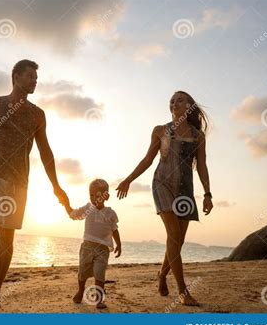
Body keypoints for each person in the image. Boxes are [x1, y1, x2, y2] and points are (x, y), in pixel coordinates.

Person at [0, 59, 69, 313]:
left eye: (36, 78)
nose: (34, 81)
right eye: (30, 76)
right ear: (15, 77)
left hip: (19, 181)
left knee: (7, 239)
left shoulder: (38, 114)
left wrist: (56, 186)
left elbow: (46, 151)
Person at [116, 91, 213, 306]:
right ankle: (183, 292)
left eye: (180, 100)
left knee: (178, 241)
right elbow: (148, 159)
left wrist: (207, 194)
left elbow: (202, 166)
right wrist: (128, 180)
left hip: (185, 189)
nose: (174, 103)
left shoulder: (198, 136)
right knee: (173, 235)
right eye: (172, 100)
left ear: (189, 106)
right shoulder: (160, 131)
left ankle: (161, 274)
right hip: (162, 184)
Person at [64, 179, 122, 309]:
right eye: (91, 195)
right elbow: (74, 214)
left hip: (102, 250)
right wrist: (65, 204)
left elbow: (114, 229)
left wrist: (119, 244)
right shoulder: (88, 208)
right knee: (82, 272)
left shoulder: (110, 213)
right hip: (87, 247)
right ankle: (80, 291)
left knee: (99, 274)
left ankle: (99, 299)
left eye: (97, 196)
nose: (93, 198)